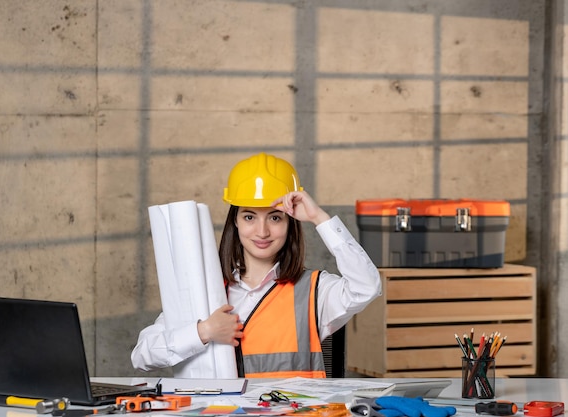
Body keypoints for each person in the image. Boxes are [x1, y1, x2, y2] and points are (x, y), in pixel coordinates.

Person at [131, 153, 381, 378]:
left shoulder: (315, 292)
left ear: (290, 223)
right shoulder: (205, 291)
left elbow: (367, 286)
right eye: (249, 216)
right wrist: (203, 332)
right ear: (236, 222)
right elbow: (142, 356)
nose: (262, 231)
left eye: (274, 217)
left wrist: (319, 218)